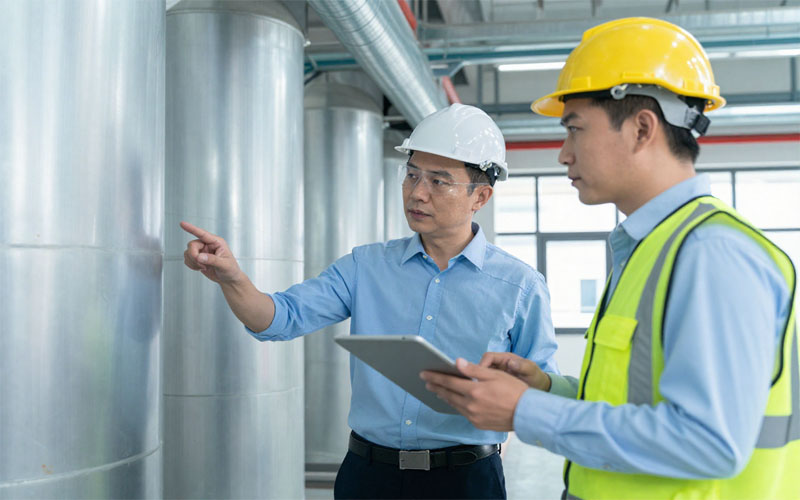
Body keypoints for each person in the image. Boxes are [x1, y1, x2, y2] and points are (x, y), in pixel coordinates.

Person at [422, 17, 798, 500]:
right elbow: (639, 402)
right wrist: (544, 389)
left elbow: (709, 442)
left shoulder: (711, 254)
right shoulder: (653, 247)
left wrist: (523, 412)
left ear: (642, 129)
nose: (563, 154)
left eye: (574, 129)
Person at [181, 103, 559, 499]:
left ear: (480, 196)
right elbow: (279, 319)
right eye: (411, 175)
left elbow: (541, 391)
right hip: (368, 476)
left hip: (465, 481)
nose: (417, 192)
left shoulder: (520, 286)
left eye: (439, 181)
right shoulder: (366, 265)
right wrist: (232, 277)